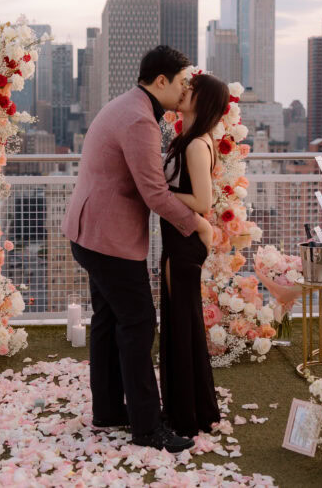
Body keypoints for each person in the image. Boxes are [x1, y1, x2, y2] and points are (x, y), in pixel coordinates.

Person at [61, 46, 213, 453]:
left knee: (111, 320)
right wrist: (198, 223)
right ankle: (147, 428)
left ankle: (109, 410)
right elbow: (154, 193)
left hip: (90, 232)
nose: (185, 91)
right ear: (160, 81)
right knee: (139, 323)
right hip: (107, 239)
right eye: (182, 82)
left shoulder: (130, 106)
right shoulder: (139, 120)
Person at [159, 72, 229, 438]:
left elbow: (203, 201)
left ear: (204, 102)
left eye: (193, 90)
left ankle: (187, 415)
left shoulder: (196, 145)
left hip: (184, 241)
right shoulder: (189, 139)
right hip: (180, 238)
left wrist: (159, 193)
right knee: (179, 323)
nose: (184, 91)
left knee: (181, 325)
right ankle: (191, 409)